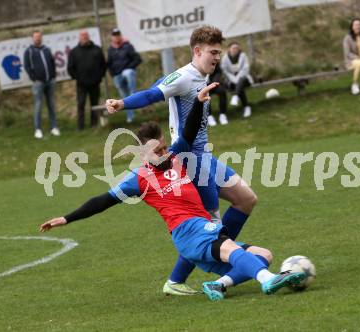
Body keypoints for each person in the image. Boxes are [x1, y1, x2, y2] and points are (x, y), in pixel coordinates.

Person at [39, 84, 305, 302]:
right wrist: (66, 218)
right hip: (188, 232)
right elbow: (102, 201)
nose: (165, 152)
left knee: (264, 255)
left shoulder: (176, 157)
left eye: (164, 147)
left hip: (200, 232)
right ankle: (268, 281)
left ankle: (218, 285)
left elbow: (188, 130)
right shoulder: (139, 179)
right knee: (232, 249)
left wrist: (199, 103)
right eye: (158, 151)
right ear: (143, 154)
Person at [106, 26, 259, 296]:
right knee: (212, 225)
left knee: (246, 199)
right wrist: (123, 103)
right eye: (212, 53)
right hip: (190, 161)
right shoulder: (183, 77)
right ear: (197, 51)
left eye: (219, 53)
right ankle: (193, 276)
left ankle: (223, 258)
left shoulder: (203, 76)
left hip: (206, 156)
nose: (216, 58)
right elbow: (152, 94)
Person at [23, 30, 60, 139]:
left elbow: (52, 63)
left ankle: (54, 127)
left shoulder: (47, 50)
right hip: (38, 82)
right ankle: (38, 129)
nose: (38, 39)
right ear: (32, 38)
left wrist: (53, 76)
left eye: (39, 37)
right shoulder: (29, 51)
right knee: (38, 105)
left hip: (50, 81)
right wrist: (34, 78)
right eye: (36, 37)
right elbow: (27, 66)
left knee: (51, 105)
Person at [67, 30, 106, 130]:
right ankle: (80, 126)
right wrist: (78, 78)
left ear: (89, 37)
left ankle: (94, 123)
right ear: (79, 38)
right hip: (81, 84)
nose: (84, 38)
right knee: (81, 104)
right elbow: (70, 68)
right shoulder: (74, 52)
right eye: (82, 36)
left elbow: (103, 65)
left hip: (95, 83)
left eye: (86, 36)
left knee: (95, 103)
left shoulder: (97, 49)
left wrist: (99, 77)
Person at [107, 28, 142, 123]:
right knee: (123, 98)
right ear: (112, 37)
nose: (116, 37)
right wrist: (113, 74)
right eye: (114, 35)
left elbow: (138, 59)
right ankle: (131, 117)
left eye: (118, 34)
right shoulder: (110, 49)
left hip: (127, 72)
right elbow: (109, 64)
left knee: (128, 73)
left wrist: (128, 67)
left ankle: (133, 92)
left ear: (120, 35)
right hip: (117, 75)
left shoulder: (128, 46)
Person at [220, 42, 254, 118]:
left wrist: (237, 79)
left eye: (237, 48)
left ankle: (236, 96)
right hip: (230, 81)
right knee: (239, 86)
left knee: (241, 82)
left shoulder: (243, 56)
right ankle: (246, 107)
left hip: (244, 79)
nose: (235, 49)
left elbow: (245, 69)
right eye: (233, 48)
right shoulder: (225, 58)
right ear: (229, 49)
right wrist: (234, 79)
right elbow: (225, 71)